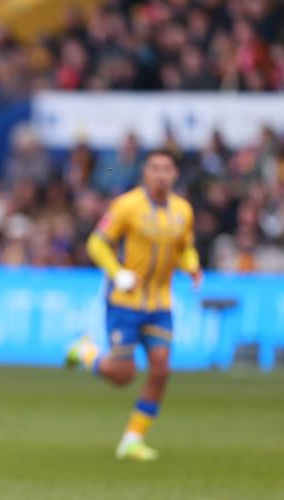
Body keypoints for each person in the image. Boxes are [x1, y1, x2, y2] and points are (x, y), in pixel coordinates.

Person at [67, 149, 202, 461]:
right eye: (155, 168)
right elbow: (97, 243)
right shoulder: (127, 206)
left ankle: (132, 439)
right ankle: (86, 352)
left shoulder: (183, 210)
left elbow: (185, 248)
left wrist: (193, 266)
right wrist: (118, 273)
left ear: (175, 174)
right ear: (145, 173)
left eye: (167, 169)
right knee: (122, 375)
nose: (161, 174)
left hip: (160, 304)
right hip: (124, 302)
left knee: (161, 369)